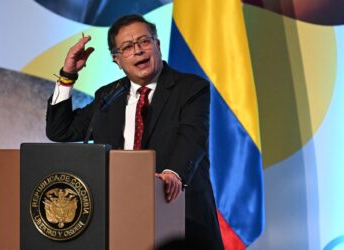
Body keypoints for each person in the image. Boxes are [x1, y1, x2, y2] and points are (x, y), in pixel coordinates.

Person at [46, 14, 223, 249]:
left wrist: (173, 174)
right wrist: (67, 75)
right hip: (121, 219)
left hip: (179, 215)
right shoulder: (107, 96)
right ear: (117, 60)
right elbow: (60, 130)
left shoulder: (190, 88)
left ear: (157, 45)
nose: (138, 50)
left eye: (144, 41)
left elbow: (193, 136)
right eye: (128, 47)